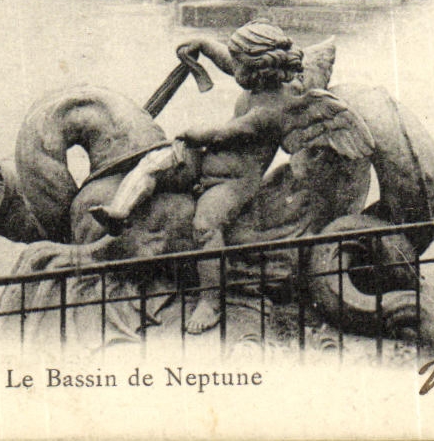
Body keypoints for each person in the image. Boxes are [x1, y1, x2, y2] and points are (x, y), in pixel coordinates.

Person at [95, 22, 368, 334]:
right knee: (156, 161)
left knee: (205, 226)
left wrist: (192, 133)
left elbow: (223, 134)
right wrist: (204, 44)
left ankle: (211, 300)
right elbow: (230, 64)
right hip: (209, 161)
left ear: (257, 69)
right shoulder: (259, 84)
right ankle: (118, 212)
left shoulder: (273, 110)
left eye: (238, 62)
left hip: (232, 184)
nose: (232, 65)